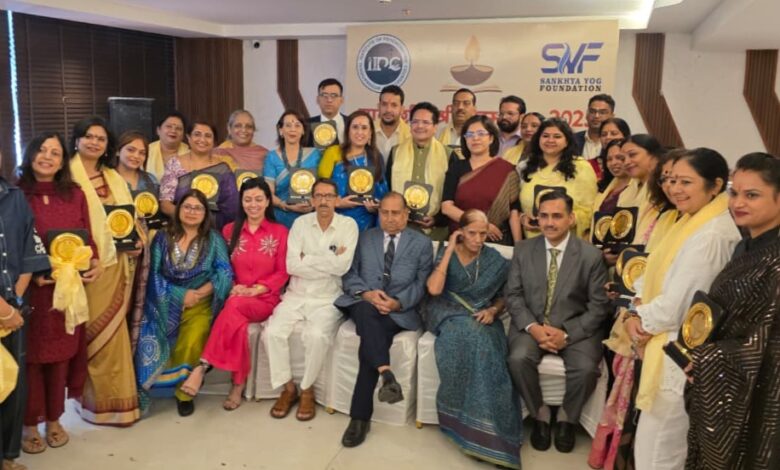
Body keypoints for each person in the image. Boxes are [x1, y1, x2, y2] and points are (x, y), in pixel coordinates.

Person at [622, 148, 741, 470]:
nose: (675, 189)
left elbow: (677, 307)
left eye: (686, 182)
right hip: (662, 342)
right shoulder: (689, 221)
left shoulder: (712, 234)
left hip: (677, 353)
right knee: (653, 449)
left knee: (659, 455)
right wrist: (633, 310)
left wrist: (639, 319)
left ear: (715, 186)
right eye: (672, 180)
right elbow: (651, 275)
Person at [686, 152, 780, 470]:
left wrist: (708, 358)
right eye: (734, 192)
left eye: (752, 195)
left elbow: (769, 339)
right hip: (723, 374)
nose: (738, 203)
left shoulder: (776, 260)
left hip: (764, 388)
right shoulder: (745, 244)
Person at [506, 191, 609, 453]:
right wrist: (534, 328)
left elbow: (599, 306)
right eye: (544, 216)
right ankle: (540, 413)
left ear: (571, 219)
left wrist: (567, 335)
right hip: (532, 326)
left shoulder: (590, 256)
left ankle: (566, 418)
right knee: (518, 359)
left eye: (557, 216)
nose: (549, 222)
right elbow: (513, 295)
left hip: (576, 329)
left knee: (586, 369)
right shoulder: (523, 250)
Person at [17, 133, 101, 455]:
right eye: (42, 150)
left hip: (68, 293)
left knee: (62, 357)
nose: (48, 157)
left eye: (55, 153)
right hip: (30, 294)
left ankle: (54, 420)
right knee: (31, 359)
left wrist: (94, 263)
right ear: (30, 154)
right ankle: (29, 424)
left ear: (63, 161)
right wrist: (31, 277)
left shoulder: (75, 194)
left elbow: (87, 238)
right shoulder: (14, 195)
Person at [423, 209, 522, 469]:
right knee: (471, 338)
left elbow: (504, 296)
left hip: (482, 316)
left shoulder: (495, 260)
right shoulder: (446, 252)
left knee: (488, 347)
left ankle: (491, 434)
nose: (478, 239)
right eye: (472, 233)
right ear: (461, 232)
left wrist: (493, 311)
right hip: (447, 312)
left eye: (483, 234)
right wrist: (449, 250)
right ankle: (465, 427)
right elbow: (434, 289)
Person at [180, 179, 288, 411]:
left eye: (258, 199)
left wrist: (256, 289)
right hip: (235, 295)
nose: (253, 204)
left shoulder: (279, 232)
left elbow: (282, 272)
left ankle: (202, 366)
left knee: (234, 307)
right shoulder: (230, 230)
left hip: (265, 300)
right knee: (236, 317)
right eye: (248, 199)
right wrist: (233, 286)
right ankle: (238, 385)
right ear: (241, 202)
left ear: (267, 202)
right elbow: (222, 267)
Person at [335, 192, 433, 447]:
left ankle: (360, 417)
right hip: (363, 303)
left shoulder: (421, 243)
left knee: (372, 336)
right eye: (385, 212)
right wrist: (367, 294)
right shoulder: (365, 237)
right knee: (367, 313)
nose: (390, 218)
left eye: (395, 213)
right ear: (379, 213)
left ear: (406, 214)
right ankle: (385, 373)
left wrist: (397, 302)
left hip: (398, 311)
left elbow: (421, 283)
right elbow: (349, 274)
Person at [68, 116, 142, 426]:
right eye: (89, 136)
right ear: (77, 140)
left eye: (100, 138)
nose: (94, 142)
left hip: (117, 267)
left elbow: (130, 218)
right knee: (90, 334)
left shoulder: (113, 177)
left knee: (115, 335)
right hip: (84, 269)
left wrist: (137, 241)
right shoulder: (66, 176)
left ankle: (120, 404)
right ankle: (91, 402)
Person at [265, 179, 358, 421]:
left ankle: (307, 389)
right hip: (296, 295)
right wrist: (328, 259)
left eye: (329, 196)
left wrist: (307, 258)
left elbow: (342, 267)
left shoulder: (348, 225)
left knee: (316, 336)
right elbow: (291, 265)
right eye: (319, 196)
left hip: (327, 298)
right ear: (312, 200)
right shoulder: (300, 224)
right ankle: (288, 388)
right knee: (272, 332)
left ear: (337, 200)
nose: (324, 201)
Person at [135, 190, 233, 417]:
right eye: (187, 207)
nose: (192, 212)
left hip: (200, 302)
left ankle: (184, 394)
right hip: (163, 300)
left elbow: (225, 272)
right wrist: (179, 295)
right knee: (148, 334)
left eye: (198, 208)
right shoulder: (162, 237)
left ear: (205, 213)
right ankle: (149, 389)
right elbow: (153, 274)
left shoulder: (214, 239)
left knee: (193, 337)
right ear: (178, 210)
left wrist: (198, 294)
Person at [0, 150, 51, 470]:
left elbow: (30, 254)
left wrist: (14, 304)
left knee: (12, 384)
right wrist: (4, 311)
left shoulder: (15, 197)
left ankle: (7, 456)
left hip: (14, 309)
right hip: (6, 312)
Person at [441, 115, 521, 245]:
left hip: (496, 241)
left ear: (491, 138)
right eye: (470, 134)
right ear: (465, 139)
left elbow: (514, 213)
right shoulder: (456, 167)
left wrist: (519, 246)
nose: (475, 138)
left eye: (481, 133)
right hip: (461, 240)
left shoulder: (507, 170)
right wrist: (482, 225)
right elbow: (447, 208)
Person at [114, 131, 158, 352]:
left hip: (146, 251)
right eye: (130, 150)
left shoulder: (150, 180)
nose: (136, 156)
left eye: (142, 152)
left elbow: (157, 217)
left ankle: (135, 355)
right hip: (116, 253)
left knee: (138, 304)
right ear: (117, 151)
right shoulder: (107, 179)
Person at [519, 118, 598, 239]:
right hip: (533, 240)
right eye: (545, 136)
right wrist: (523, 218)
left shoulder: (581, 167)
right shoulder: (527, 166)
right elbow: (519, 206)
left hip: (569, 242)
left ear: (567, 141)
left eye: (557, 136)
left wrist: (560, 222)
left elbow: (590, 209)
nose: (550, 140)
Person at [386, 102, 452, 239]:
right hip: (400, 227)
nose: (420, 126)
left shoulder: (448, 155)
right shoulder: (396, 152)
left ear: (435, 127)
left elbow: (452, 195)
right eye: (415, 122)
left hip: (434, 231)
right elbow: (388, 188)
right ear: (410, 125)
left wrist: (436, 219)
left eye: (425, 122)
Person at [159, 120, 238, 230]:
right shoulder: (174, 164)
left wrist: (204, 221)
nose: (202, 139)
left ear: (214, 141)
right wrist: (189, 218)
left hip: (214, 229)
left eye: (208, 136)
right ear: (188, 137)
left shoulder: (223, 169)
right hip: (181, 229)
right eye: (197, 134)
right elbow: (165, 205)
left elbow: (232, 207)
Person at [318, 110, 388, 231]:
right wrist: (337, 203)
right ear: (348, 131)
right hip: (336, 223)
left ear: (370, 133)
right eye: (355, 127)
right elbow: (319, 190)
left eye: (364, 128)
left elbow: (383, 193)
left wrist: (376, 207)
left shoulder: (376, 157)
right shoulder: (333, 153)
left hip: (368, 225)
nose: (359, 132)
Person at [264, 110, 322, 229]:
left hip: (309, 217)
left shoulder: (315, 154)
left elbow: (322, 186)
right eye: (288, 125)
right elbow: (268, 193)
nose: (293, 129)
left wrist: (314, 202)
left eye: (297, 125)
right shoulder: (272, 157)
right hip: (281, 217)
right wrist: (284, 205)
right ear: (281, 130)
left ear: (303, 130)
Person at [616, 135, 666, 247]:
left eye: (632, 155)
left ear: (654, 156)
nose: (626, 162)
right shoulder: (626, 193)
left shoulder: (665, 189)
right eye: (623, 159)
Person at [592, 139, 631, 216]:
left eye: (619, 158)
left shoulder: (639, 187)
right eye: (609, 159)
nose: (613, 163)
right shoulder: (604, 186)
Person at [147, 111, 189, 181]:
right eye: (169, 126)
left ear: (183, 135)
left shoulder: (189, 153)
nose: (173, 131)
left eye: (178, 128)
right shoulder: (146, 151)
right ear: (158, 130)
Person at [374, 85, 411, 163]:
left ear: (402, 109)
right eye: (384, 104)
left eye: (394, 105)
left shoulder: (410, 135)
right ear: (378, 106)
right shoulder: (368, 132)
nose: (388, 110)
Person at [574, 94, 615, 160]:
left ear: (612, 116)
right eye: (592, 111)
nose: (596, 116)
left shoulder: (616, 142)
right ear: (587, 114)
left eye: (602, 112)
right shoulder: (572, 140)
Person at [308, 78, 347, 144]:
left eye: (334, 95)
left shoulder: (351, 123)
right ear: (317, 99)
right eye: (324, 95)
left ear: (342, 100)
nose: (329, 100)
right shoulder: (307, 125)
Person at [594, 118, 631, 184]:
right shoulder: (593, 164)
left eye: (614, 133)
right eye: (604, 134)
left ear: (625, 136)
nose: (608, 137)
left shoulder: (632, 162)